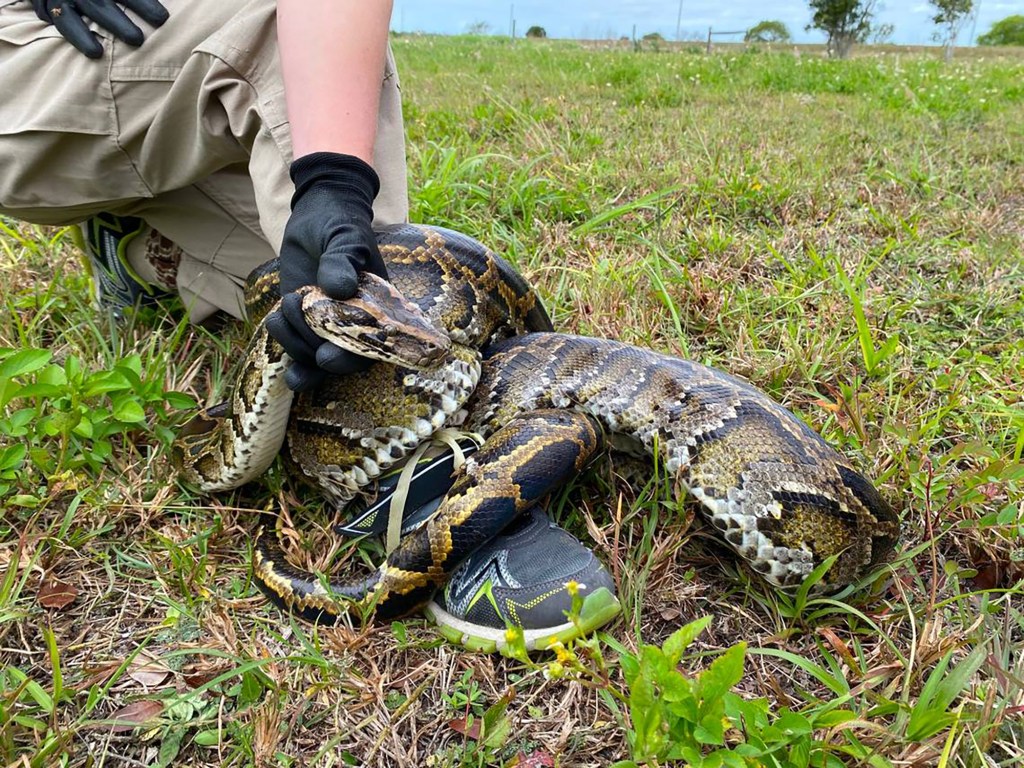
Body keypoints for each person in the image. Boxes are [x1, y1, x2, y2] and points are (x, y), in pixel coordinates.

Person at [0, 0, 620, 652]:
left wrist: (331, 192)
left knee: (295, 259)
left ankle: (138, 246)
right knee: (283, 33)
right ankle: (417, 487)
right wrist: (334, 175)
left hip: (140, 61)